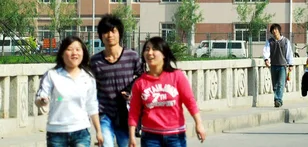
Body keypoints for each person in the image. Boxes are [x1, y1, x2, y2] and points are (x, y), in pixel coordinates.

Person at [128, 37, 206, 147]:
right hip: (150, 137)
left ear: (164, 54)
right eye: (147, 49)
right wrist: (131, 136)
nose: (150, 53)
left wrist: (199, 123)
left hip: (175, 136)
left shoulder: (177, 76)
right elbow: (134, 111)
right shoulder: (140, 83)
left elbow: (190, 101)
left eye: (154, 49)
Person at [35, 36, 104, 147]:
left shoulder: (88, 78)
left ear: (83, 53)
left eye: (78, 49)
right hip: (56, 132)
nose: (74, 53)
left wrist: (99, 132)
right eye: (70, 49)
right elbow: (40, 98)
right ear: (62, 53)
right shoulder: (52, 75)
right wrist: (43, 101)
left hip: (81, 131)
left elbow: (92, 105)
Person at [91, 15, 144, 147]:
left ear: (120, 34)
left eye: (113, 31)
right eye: (106, 32)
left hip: (125, 113)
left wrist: (131, 91)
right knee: (107, 144)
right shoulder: (95, 61)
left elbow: (142, 78)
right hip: (104, 112)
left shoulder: (132, 56)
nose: (110, 35)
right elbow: (90, 86)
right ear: (101, 36)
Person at [262, 23, 294, 108]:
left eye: (276, 29)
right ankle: (277, 99)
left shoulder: (285, 41)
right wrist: (266, 60)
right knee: (275, 84)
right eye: (273, 30)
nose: (274, 31)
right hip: (273, 65)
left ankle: (278, 99)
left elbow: (289, 53)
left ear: (279, 30)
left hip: (282, 66)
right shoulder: (270, 42)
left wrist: (290, 64)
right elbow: (266, 51)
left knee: (281, 83)